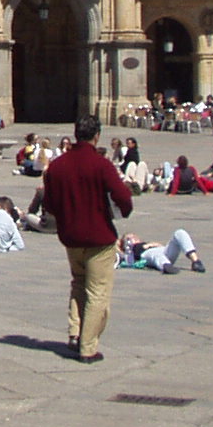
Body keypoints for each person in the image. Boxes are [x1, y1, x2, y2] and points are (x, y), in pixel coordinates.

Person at [42, 115, 133, 364]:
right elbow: (122, 196)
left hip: (70, 237)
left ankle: (74, 333)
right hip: (99, 237)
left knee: (78, 283)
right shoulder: (100, 164)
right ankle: (88, 347)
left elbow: (48, 204)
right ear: (97, 136)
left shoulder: (58, 165)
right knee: (98, 293)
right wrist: (125, 210)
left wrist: (66, 216)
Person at [118, 230, 204, 273]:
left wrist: (152, 244)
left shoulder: (146, 243)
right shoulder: (131, 251)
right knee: (155, 255)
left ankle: (195, 261)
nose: (133, 238)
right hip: (148, 255)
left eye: (134, 236)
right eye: (129, 238)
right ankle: (166, 266)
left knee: (179, 232)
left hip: (164, 251)